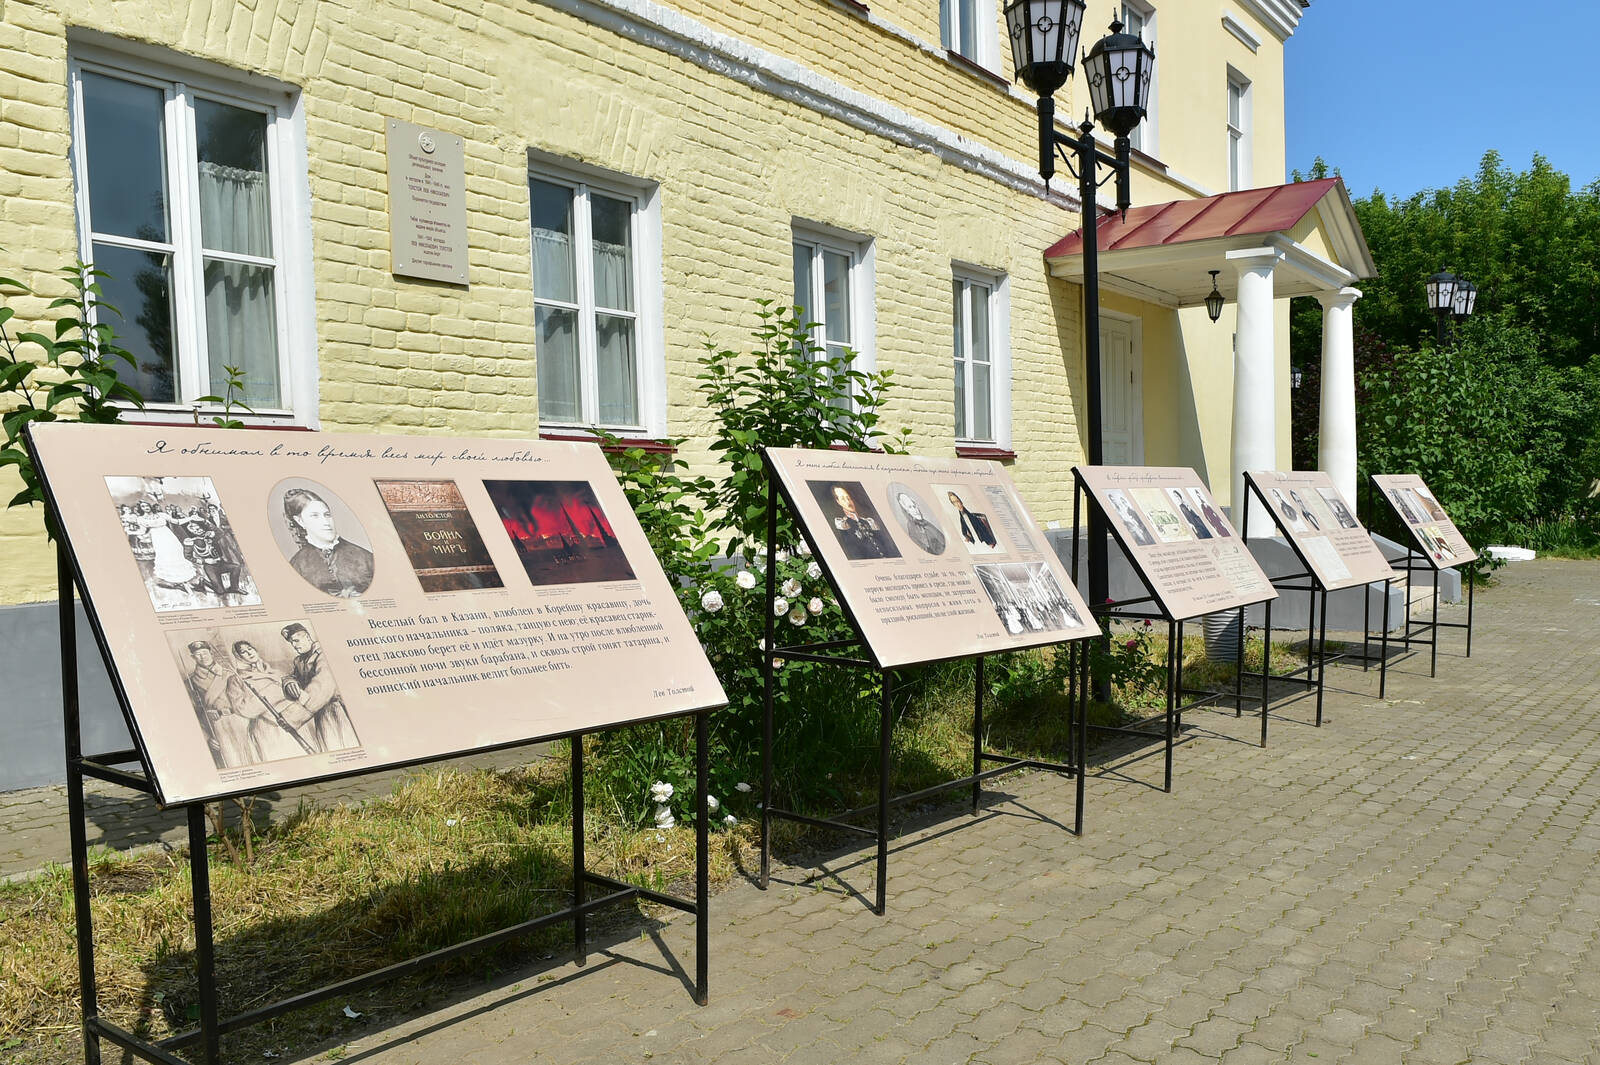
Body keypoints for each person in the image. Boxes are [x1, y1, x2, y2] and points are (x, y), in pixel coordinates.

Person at [231, 640, 318, 761]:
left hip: (294, 720)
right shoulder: (236, 680)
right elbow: (243, 709)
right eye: (243, 652)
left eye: (249, 649)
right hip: (268, 728)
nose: (249, 653)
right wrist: (276, 692)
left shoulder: (277, 673)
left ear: (255, 650)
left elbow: (301, 695)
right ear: (239, 657)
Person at [280, 623, 358, 753]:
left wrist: (293, 716)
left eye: (296, 640)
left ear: (307, 637)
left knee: (344, 747)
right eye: (291, 642)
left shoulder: (323, 654)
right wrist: (289, 683)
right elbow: (293, 676)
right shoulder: (299, 661)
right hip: (319, 712)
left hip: (336, 710)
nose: (294, 645)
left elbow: (322, 685)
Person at [283, 487, 375, 597]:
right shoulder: (297, 566)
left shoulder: (366, 558)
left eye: (327, 515)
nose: (325, 522)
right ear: (300, 521)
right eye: (315, 516)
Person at [183, 641, 254, 768]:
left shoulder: (230, 673)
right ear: (193, 657)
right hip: (217, 726)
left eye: (205, 653)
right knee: (232, 763)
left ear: (211, 653)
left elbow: (248, 698)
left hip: (242, 720)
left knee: (252, 757)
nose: (203, 657)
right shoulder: (190, 682)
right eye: (198, 654)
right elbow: (191, 714)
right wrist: (206, 737)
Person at [828, 485, 899, 560]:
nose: (848, 501)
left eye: (848, 498)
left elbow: (885, 544)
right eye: (843, 499)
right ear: (838, 502)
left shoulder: (869, 521)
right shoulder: (844, 525)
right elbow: (854, 553)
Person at [892, 489, 946, 555]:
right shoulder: (912, 527)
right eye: (910, 507)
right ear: (907, 511)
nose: (915, 510)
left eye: (914, 506)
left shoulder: (925, 523)